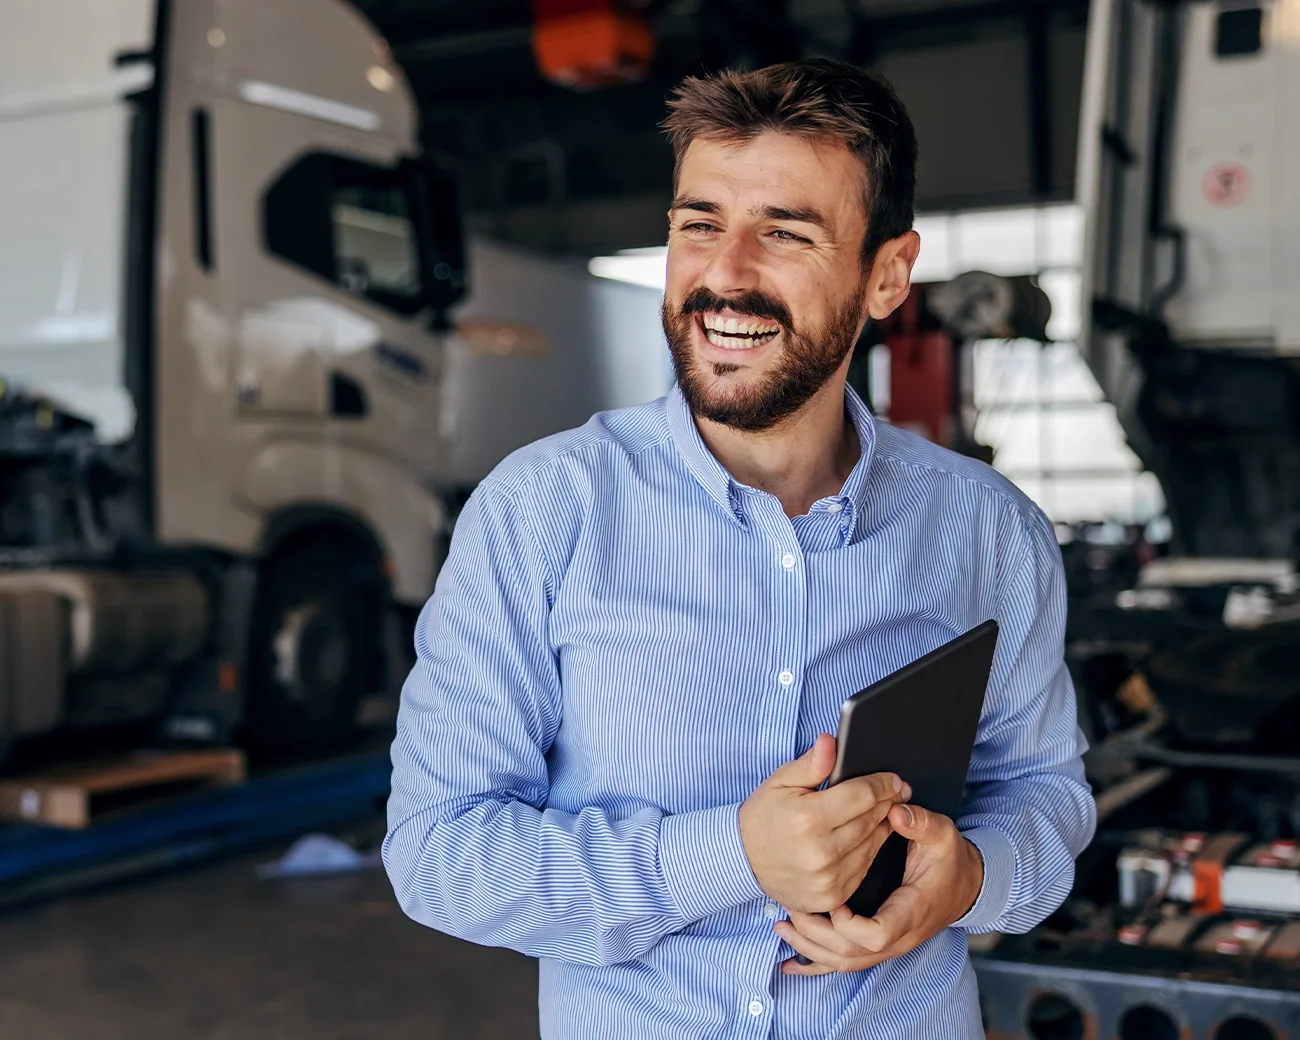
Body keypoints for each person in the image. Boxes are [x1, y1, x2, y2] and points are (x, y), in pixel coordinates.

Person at [383, 58, 1096, 1039]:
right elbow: (438, 852)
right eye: (699, 225)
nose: (725, 275)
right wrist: (730, 856)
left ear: (887, 274)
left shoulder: (986, 530)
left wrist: (970, 876)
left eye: (785, 233)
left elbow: (1045, 789)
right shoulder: (543, 511)